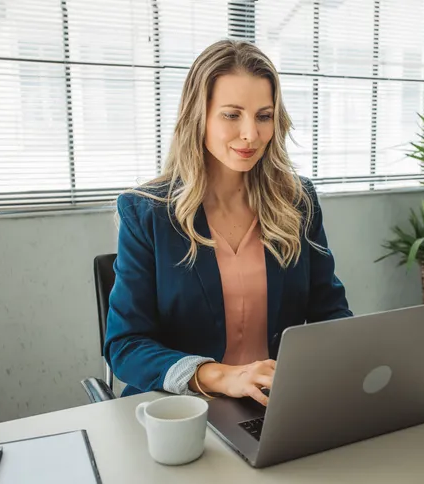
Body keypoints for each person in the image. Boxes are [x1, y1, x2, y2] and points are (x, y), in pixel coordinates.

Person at [103, 39, 351, 406]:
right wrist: (221, 376)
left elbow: (329, 312)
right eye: (232, 115)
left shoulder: (297, 202)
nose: (251, 134)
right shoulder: (145, 212)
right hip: (182, 410)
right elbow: (126, 344)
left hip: (276, 404)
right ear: (198, 116)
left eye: (264, 116)